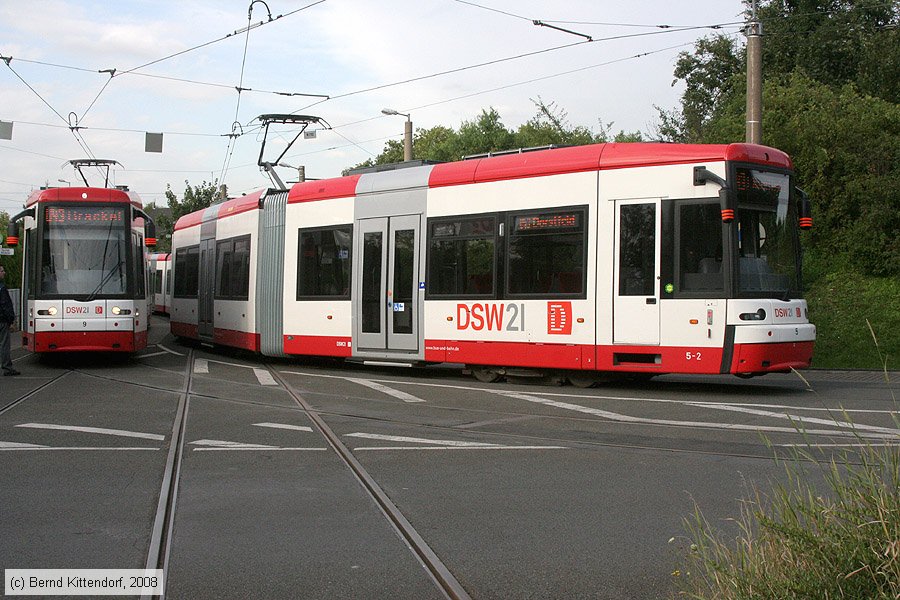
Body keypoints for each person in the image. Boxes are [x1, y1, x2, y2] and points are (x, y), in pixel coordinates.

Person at [0, 265, 20, 376]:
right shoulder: (1, 288)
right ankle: (7, 367)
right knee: (4, 344)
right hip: (2, 321)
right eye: (2, 271)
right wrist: (10, 320)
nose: (4, 272)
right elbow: (5, 305)